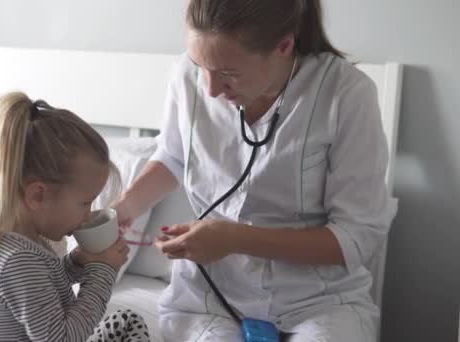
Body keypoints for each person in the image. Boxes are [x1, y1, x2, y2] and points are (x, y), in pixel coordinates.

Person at [113, 1, 396, 341]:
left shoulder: (346, 94)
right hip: (207, 300)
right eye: (199, 65)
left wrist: (234, 239)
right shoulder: (186, 78)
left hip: (319, 303)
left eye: (229, 73)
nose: (211, 89)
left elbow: (354, 238)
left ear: (284, 46)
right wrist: (123, 209)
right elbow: (174, 156)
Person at [0, 92, 150, 342]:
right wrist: (103, 271)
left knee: (126, 321)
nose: (88, 215)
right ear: (37, 196)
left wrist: (78, 261)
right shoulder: (18, 262)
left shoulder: (20, 244)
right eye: (84, 203)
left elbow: (46, 285)